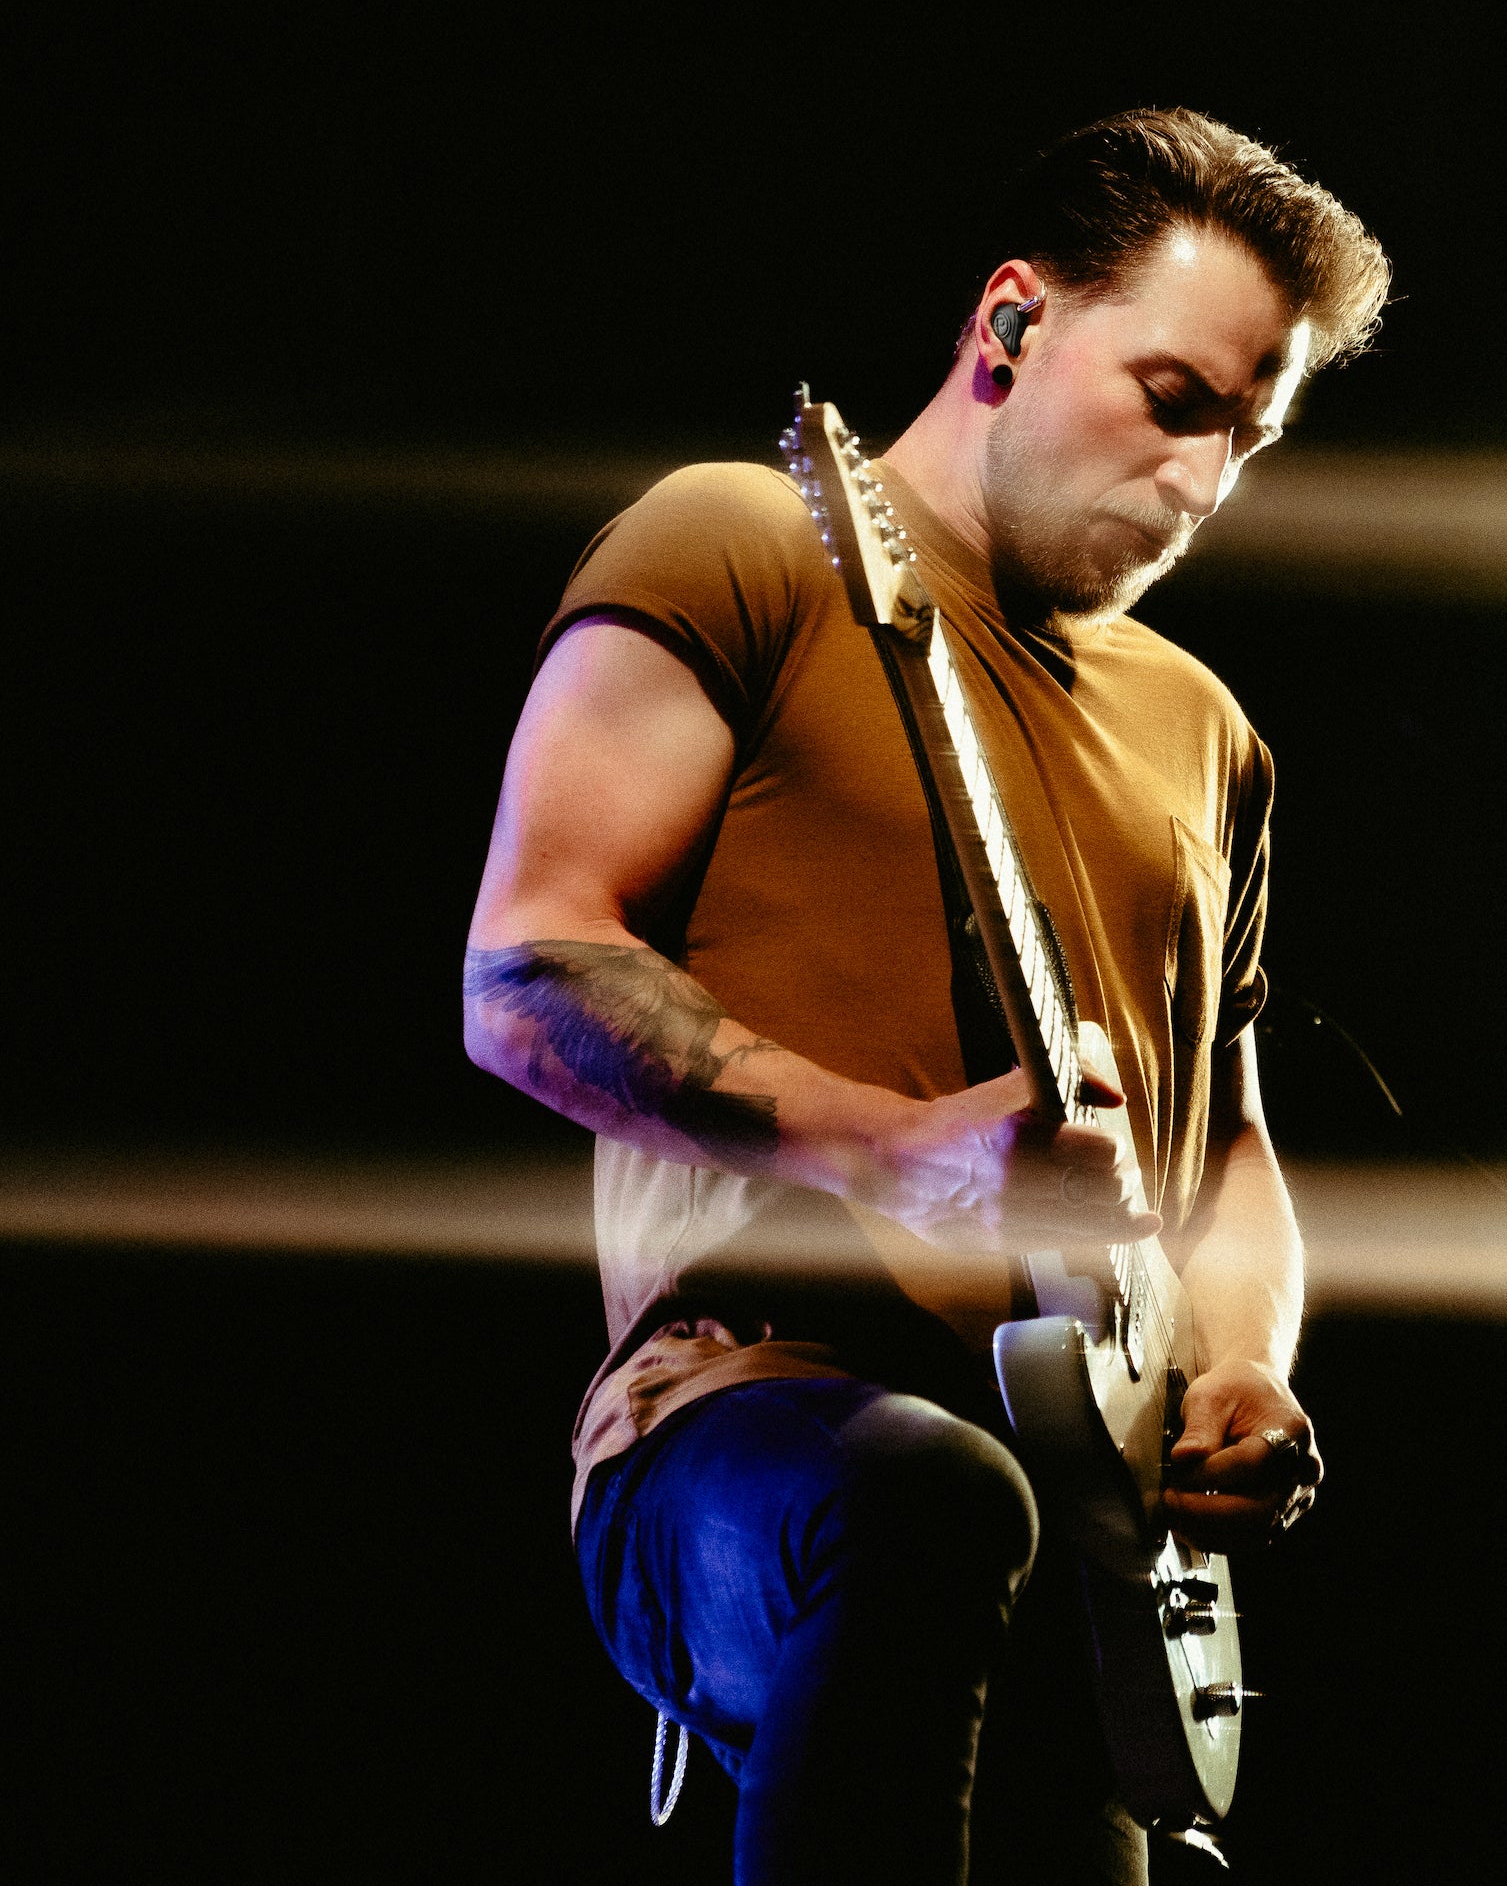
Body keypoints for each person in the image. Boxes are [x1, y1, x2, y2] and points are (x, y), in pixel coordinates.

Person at [461, 107, 1389, 1883]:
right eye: (1173, 399)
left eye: (1247, 441)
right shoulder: (748, 540)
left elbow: (1235, 1147)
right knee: (928, 1499)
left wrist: (1248, 1366)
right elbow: (524, 969)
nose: (1201, 483)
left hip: (1105, 1507)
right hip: (752, 1419)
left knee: (993, 1516)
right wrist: (893, 1153)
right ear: (1014, 323)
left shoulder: (1210, 735)